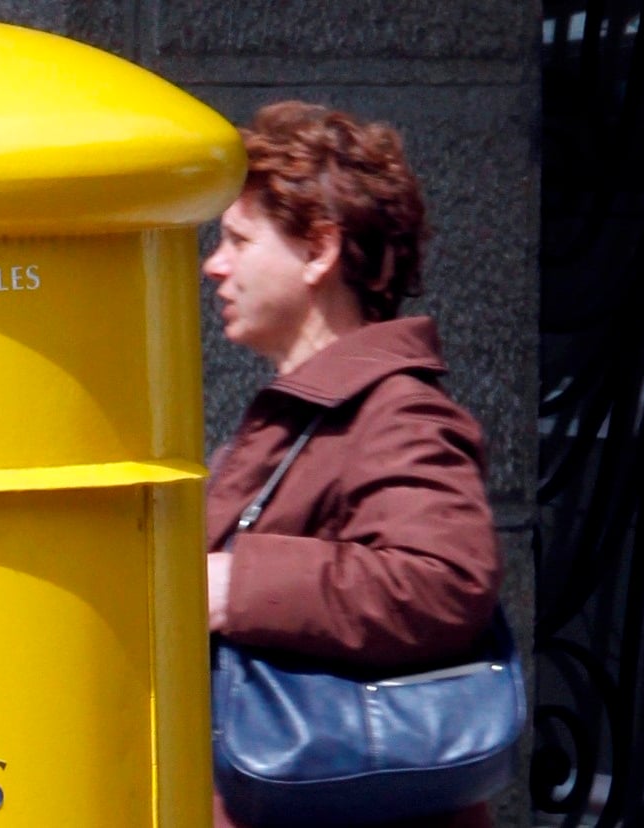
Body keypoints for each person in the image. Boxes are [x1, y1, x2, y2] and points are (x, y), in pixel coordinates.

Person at [203, 101, 502, 828]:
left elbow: (444, 582)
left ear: (319, 252)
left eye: (239, 239)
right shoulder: (316, 410)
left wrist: (235, 582)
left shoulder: (395, 411)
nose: (214, 264)